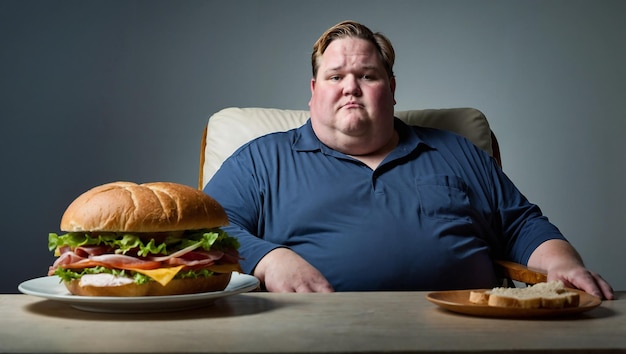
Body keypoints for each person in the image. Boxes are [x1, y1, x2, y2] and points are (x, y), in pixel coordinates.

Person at [204, 20, 614, 299]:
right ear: (314, 91)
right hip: (312, 335)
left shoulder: (455, 151)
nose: (351, 87)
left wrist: (564, 265)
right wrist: (269, 259)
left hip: (466, 330)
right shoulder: (262, 160)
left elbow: (522, 223)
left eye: (367, 75)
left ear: (391, 87)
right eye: (335, 77)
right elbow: (206, 230)